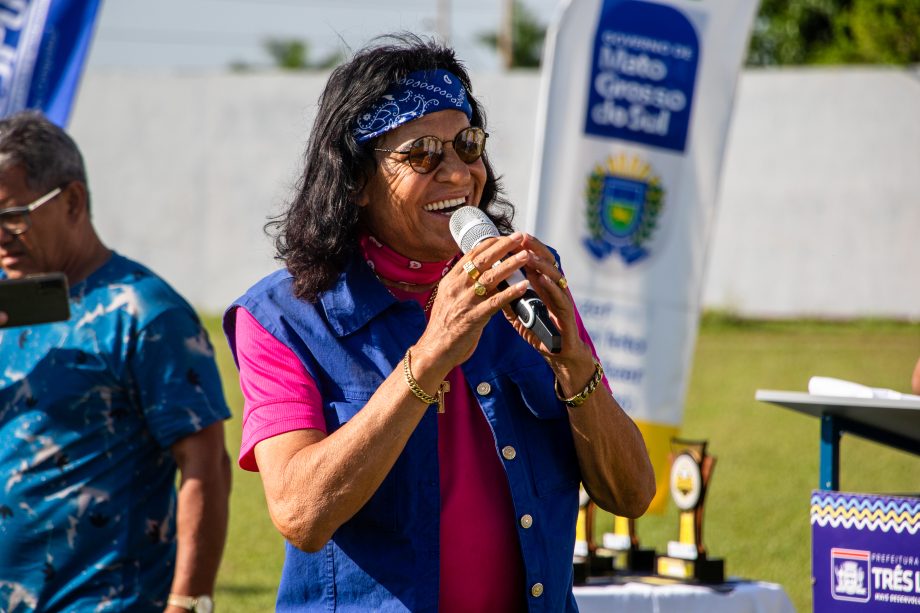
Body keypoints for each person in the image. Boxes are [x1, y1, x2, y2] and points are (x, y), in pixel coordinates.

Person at [223, 35, 655, 612]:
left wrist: (577, 369)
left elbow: (631, 493)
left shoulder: (524, 279)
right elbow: (301, 515)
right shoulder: (283, 317)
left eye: (467, 145)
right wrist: (431, 354)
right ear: (355, 180)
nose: (457, 174)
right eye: (423, 154)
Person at [0, 111, 231, 612]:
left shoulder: (144, 312)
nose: (0, 237)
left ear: (73, 202)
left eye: (10, 216)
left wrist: (188, 603)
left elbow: (206, 464)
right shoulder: (10, 306)